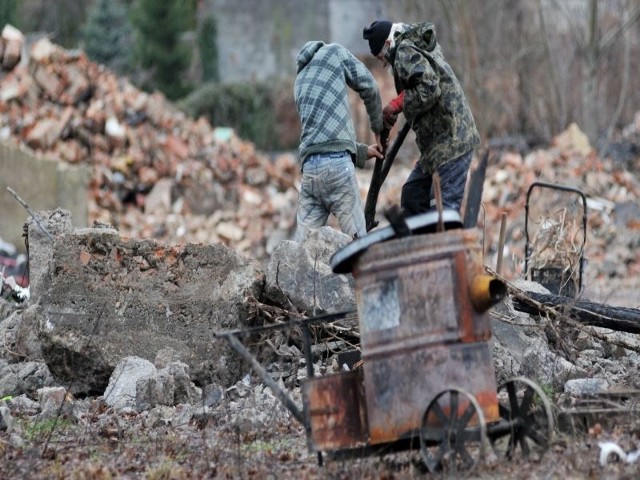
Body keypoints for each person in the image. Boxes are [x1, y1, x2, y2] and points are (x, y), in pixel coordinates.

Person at [363, 20, 480, 216]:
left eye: (381, 56)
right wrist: (400, 107)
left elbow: (429, 87)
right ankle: (417, 243)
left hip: (451, 143)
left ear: (386, 44)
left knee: (443, 211)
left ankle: (443, 245)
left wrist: (398, 104)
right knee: (413, 195)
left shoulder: (404, 52)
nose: (383, 62)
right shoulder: (412, 45)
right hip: (437, 146)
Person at [293, 40, 385, 242]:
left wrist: (361, 152)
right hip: (338, 170)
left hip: (309, 174)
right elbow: (369, 86)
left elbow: (318, 136)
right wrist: (378, 127)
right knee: (359, 246)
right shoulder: (333, 52)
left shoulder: (299, 79)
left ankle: (284, 275)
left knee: (299, 251)